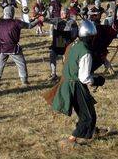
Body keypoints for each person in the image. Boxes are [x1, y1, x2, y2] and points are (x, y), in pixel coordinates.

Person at [45, 20, 107, 148]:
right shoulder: (86, 52)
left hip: (68, 81)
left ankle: (91, 131)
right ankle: (71, 140)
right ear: (91, 36)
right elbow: (84, 77)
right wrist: (97, 80)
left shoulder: (74, 44)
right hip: (75, 85)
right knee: (88, 116)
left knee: (85, 111)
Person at [0, 6, 42, 87]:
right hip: (13, 47)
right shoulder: (16, 22)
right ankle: (24, 81)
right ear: (12, 13)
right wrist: (38, 20)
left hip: (1, 47)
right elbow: (29, 26)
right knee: (21, 63)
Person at [45, 8, 78, 81]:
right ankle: (53, 74)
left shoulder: (72, 22)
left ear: (68, 14)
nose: (62, 14)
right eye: (61, 13)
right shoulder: (57, 20)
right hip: (58, 41)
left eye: (64, 13)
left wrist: (70, 41)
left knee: (66, 59)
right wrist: (43, 18)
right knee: (52, 55)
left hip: (67, 43)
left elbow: (75, 34)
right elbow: (48, 20)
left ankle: (67, 75)